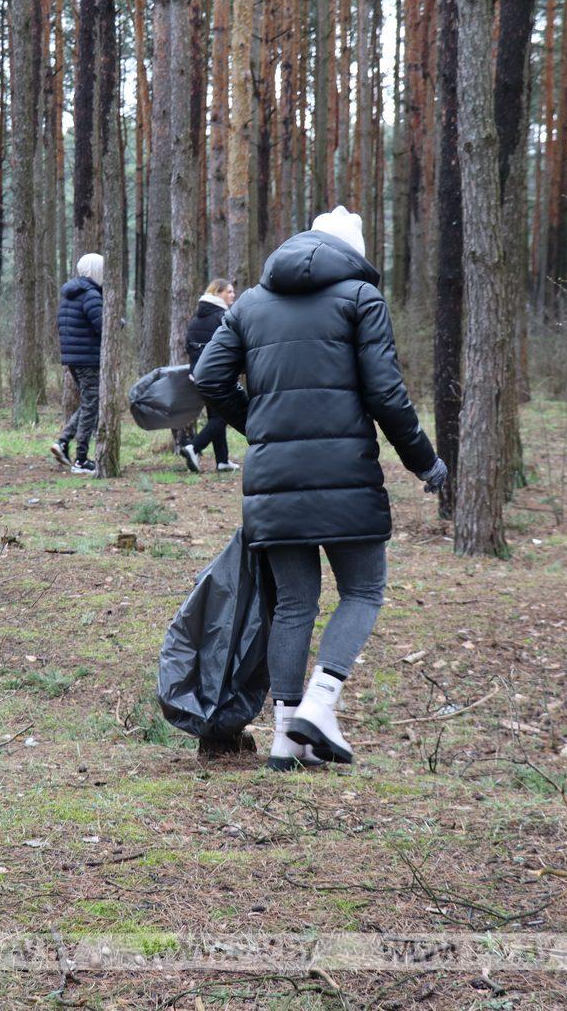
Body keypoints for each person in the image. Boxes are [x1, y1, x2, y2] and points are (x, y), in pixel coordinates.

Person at [192, 207, 448, 771]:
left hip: (273, 482)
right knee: (363, 591)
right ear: (351, 252)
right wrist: (425, 463)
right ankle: (321, 703)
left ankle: (287, 738)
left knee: (294, 605)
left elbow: (207, 378)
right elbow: (386, 394)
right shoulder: (361, 298)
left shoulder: (252, 303)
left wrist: (259, 427)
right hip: (346, 476)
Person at [51, 253, 106, 475]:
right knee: (91, 406)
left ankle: (63, 442)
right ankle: (81, 459)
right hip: (89, 359)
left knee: (88, 404)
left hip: (73, 359)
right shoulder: (91, 295)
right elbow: (104, 326)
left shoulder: (70, 294)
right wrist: (119, 323)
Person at [179, 278, 240, 474]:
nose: (233, 295)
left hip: (199, 376)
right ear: (217, 293)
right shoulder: (223, 317)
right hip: (219, 377)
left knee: (216, 415)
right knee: (222, 417)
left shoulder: (196, 319)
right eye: (228, 292)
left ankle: (222, 461)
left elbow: (189, 347)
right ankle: (194, 447)